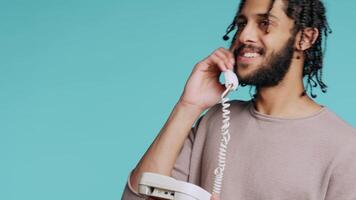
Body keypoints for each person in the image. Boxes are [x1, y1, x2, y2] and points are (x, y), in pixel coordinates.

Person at [122, 0, 356, 199]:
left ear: (305, 37)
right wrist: (188, 107)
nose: (244, 35)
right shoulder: (214, 120)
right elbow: (138, 198)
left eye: (264, 23)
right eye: (242, 24)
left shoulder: (346, 149)